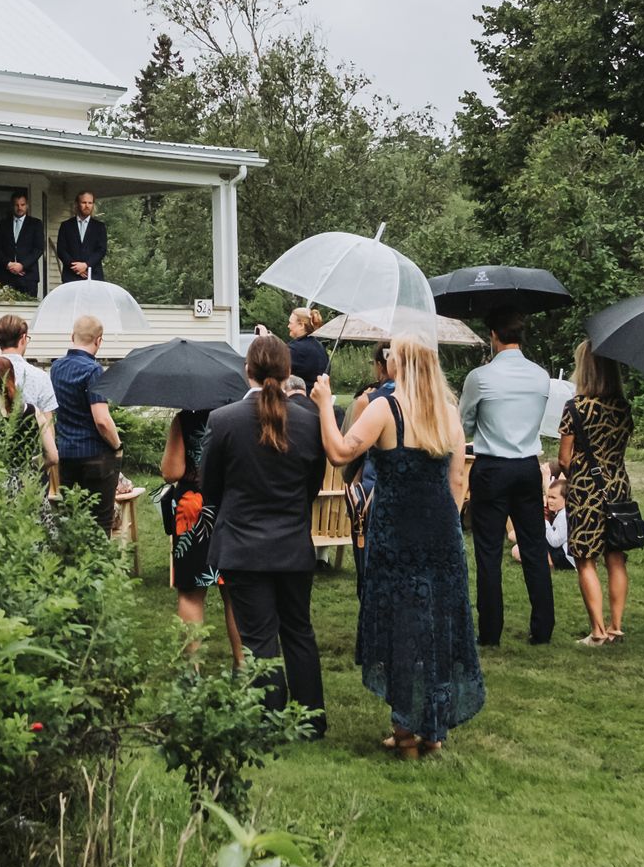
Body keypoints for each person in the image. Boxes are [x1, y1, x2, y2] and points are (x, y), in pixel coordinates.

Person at [313, 340, 484, 756]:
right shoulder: (447, 411)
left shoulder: (384, 408)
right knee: (438, 621)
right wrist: (445, 521)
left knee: (402, 623)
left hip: (396, 532)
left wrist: (323, 402)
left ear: (399, 362)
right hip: (441, 529)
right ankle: (434, 730)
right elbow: (458, 480)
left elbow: (339, 453)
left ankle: (406, 731)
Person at [200, 334, 325, 731]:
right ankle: (311, 720)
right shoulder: (310, 422)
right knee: (298, 630)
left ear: (247, 370)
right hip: (292, 542)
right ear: (288, 372)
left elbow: (210, 488)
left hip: (243, 544)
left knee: (258, 636)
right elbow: (313, 484)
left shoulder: (223, 421)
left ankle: (270, 719)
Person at [457, 317, 554, 648]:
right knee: (534, 546)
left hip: (492, 467)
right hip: (527, 465)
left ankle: (490, 631)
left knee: (488, 549)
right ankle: (542, 628)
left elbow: (464, 423)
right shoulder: (541, 377)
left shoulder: (481, 377)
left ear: (493, 335)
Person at [555, 340, 633, 644]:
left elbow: (564, 459)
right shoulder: (623, 407)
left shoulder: (575, 407)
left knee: (586, 558)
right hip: (618, 485)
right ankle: (616, 625)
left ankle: (598, 631)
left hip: (586, 488)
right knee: (616, 556)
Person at [161, 403, 245, 663]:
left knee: (190, 592)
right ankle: (242, 666)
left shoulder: (185, 419)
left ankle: (191, 671)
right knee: (234, 592)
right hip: (229, 506)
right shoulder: (238, 417)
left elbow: (171, 472)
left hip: (192, 511)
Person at [49, 314, 123, 530]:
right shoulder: (93, 370)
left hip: (66, 454)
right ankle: (97, 564)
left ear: (72, 336)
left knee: (71, 517)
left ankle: (73, 562)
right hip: (94, 457)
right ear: (99, 340)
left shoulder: (56, 368)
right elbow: (102, 420)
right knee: (99, 522)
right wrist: (117, 445)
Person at [0, 353, 55, 494]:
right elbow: (53, 456)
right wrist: (30, 466)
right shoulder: (33, 412)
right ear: (13, 378)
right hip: (30, 492)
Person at [0, 190, 45, 297]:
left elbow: (38, 248)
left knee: (28, 311)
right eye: (16, 205)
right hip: (6, 276)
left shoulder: (35, 224)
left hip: (28, 276)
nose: (19, 208)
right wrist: (8, 264)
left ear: (27, 206)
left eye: (22, 204)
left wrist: (22, 265)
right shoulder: (3, 224)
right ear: (12, 206)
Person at [56, 191, 107, 283]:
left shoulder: (99, 227)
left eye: (90, 203)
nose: (87, 206)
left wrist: (86, 265)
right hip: (71, 276)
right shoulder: (66, 226)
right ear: (77, 204)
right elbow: (61, 250)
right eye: (84, 202)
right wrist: (76, 267)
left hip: (93, 275)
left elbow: (101, 250)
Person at [286, 307, 331, 388]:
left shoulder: (296, 349)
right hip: (319, 397)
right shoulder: (321, 348)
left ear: (301, 325)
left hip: (299, 398)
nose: (288, 326)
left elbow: (276, 369)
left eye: (290, 323)